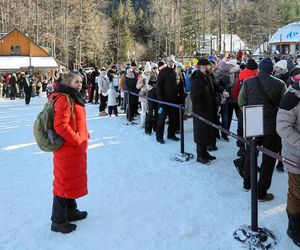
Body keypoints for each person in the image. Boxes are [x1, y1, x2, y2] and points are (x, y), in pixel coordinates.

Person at [238, 57, 286, 200]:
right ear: (272, 69)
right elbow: (283, 105)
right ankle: (261, 192)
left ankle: (247, 184)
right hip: (272, 125)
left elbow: (241, 101)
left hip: (253, 120)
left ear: (260, 68)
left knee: (250, 153)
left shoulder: (248, 82)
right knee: (269, 158)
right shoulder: (280, 84)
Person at [50, 72, 89, 233]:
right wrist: (77, 139)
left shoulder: (73, 96)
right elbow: (60, 125)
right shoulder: (64, 99)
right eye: (76, 81)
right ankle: (57, 221)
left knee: (70, 180)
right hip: (68, 149)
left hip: (74, 149)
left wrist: (84, 134)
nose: (79, 84)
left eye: (80, 82)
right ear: (67, 82)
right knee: (63, 183)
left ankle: (71, 211)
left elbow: (76, 121)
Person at [277, 67, 300, 247]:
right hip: (296, 157)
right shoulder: (291, 98)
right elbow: (283, 127)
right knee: (296, 194)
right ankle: (294, 228)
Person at [190, 58, 218, 164]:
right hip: (201, 112)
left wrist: (223, 90)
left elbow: (214, 85)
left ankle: (205, 153)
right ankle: (200, 155)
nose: (210, 67)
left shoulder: (206, 77)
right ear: (203, 67)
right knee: (201, 133)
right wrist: (202, 110)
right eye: (208, 66)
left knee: (207, 133)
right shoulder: (197, 80)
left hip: (209, 110)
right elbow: (195, 98)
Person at [156, 55, 184, 144]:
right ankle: (159, 137)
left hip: (175, 100)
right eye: (168, 61)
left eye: (172, 61)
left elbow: (181, 85)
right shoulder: (162, 72)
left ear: (174, 62)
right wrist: (161, 100)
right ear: (166, 62)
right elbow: (159, 86)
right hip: (164, 100)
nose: (170, 63)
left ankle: (171, 134)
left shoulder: (178, 71)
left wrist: (181, 97)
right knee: (161, 118)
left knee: (173, 118)